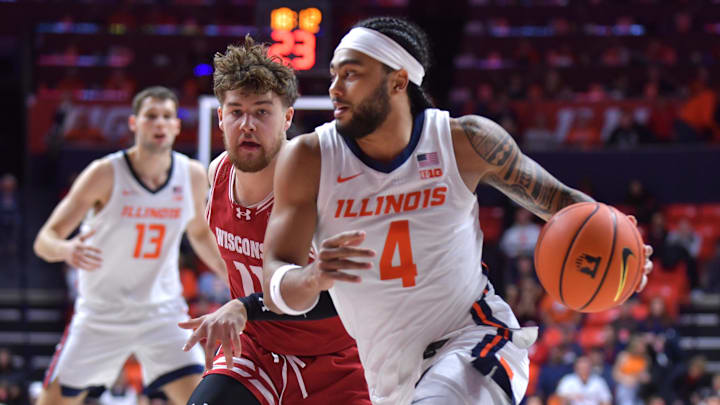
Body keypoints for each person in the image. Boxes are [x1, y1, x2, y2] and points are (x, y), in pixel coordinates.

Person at [257, 16, 653, 405]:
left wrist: (625, 249)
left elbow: (560, 202)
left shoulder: (463, 142)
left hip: (474, 338)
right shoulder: (309, 158)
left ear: (398, 81)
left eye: (351, 75)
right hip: (388, 377)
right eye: (334, 75)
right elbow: (276, 278)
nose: (335, 89)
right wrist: (311, 277)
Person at [179, 37, 370, 405]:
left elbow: (347, 295)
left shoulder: (319, 189)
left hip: (337, 361)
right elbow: (207, 235)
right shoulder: (217, 174)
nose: (247, 125)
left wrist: (246, 305)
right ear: (220, 117)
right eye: (236, 112)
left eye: (262, 112)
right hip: (257, 352)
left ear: (287, 117)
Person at [33, 86, 228, 405]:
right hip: (102, 313)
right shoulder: (104, 173)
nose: (160, 124)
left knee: (203, 399)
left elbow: (200, 234)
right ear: (134, 123)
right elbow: (45, 240)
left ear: (177, 127)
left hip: (162, 312)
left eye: (167, 117)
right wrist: (67, 250)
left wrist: (234, 280)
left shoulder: (191, 175)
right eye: (151, 116)